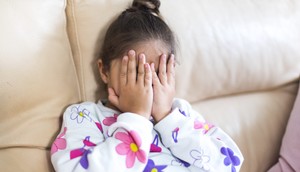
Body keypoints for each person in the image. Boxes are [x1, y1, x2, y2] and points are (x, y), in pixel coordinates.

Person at [51, 0, 244, 171]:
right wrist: (136, 118)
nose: (147, 84)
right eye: (136, 72)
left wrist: (168, 118)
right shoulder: (85, 117)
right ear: (104, 71)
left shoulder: (181, 114)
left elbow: (229, 165)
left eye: (158, 72)